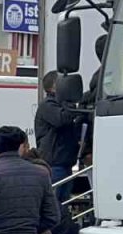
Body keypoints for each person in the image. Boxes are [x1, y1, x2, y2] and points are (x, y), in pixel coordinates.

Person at [35, 71, 84, 203]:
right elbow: (61, 119)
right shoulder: (48, 105)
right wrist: (70, 103)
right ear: (54, 86)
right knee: (54, 203)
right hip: (54, 164)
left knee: (63, 204)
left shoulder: (59, 104)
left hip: (65, 163)